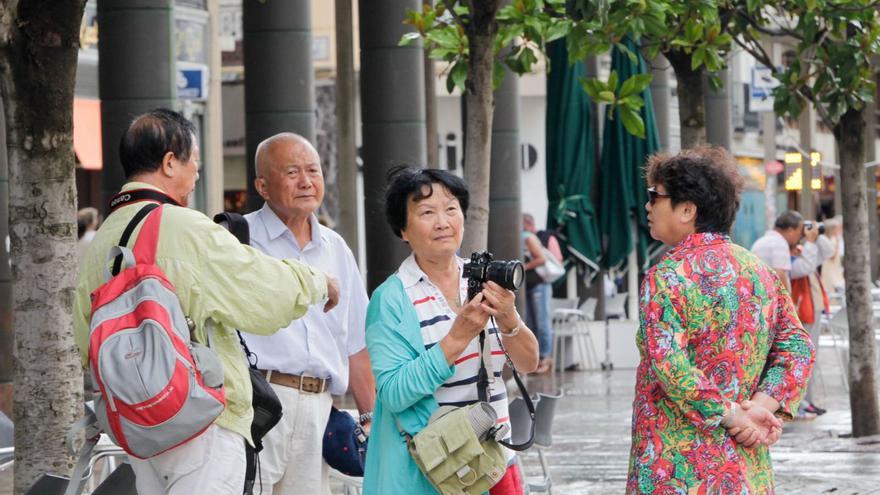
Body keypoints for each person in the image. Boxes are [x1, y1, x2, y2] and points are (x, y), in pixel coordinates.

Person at [73, 109, 340, 495]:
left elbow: (86, 339)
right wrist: (318, 282)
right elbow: (262, 295)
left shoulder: (102, 241)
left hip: (139, 426)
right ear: (169, 162)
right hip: (198, 420)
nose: (197, 171)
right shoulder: (183, 226)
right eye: (194, 159)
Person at [628, 147, 815, 494]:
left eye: (656, 196)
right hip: (746, 465)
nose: (648, 206)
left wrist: (733, 414)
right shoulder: (759, 273)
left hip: (676, 468)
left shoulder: (667, 276)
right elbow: (798, 350)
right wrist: (760, 407)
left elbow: (669, 364)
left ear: (687, 209)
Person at [363, 167, 539, 495]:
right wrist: (458, 336)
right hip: (435, 466)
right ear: (403, 229)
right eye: (427, 212)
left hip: (495, 458)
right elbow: (394, 393)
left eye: (451, 208)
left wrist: (509, 317)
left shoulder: (483, 279)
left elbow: (528, 363)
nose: (443, 222)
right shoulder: (391, 299)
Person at [242, 132, 375, 494]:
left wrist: (369, 418)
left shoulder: (335, 247)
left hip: (321, 407)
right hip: (257, 401)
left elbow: (356, 343)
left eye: (313, 171)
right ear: (263, 186)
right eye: (292, 172)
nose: (306, 182)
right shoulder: (239, 240)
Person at [522, 213, 560, 373]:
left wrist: (523, 267)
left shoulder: (528, 237)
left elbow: (541, 259)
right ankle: (537, 358)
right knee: (532, 323)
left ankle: (545, 357)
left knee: (542, 322)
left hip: (540, 284)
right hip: (531, 285)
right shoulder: (525, 236)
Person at [750, 210, 804, 292]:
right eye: (800, 231)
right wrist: (787, 301)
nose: (800, 236)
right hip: (771, 297)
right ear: (790, 231)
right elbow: (780, 274)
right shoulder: (780, 243)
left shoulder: (763, 240)